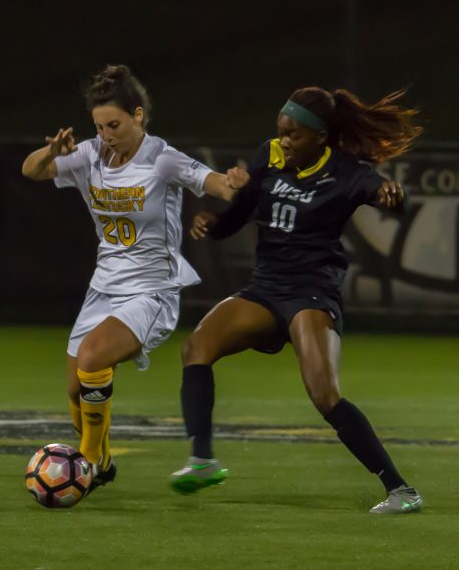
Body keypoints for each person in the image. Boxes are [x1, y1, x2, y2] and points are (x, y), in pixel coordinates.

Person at [168, 85, 425, 514]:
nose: (284, 141)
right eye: (281, 132)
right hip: (266, 288)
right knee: (197, 347)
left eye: (293, 135)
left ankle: (401, 490)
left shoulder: (346, 172)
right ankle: (202, 460)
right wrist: (215, 225)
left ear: (320, 137)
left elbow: (382, 193)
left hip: (311, 291)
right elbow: (243, 208)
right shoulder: (268, 155)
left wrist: (392, 198)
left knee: (325, 395)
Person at [21, 65, 245, 490]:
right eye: (100, 126)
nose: (107, 134)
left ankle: (84, 464)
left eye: (115, 125)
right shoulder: (88, 154)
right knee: (74, 389)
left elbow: (214, 183)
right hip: (103, 286)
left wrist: (234, 184)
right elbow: (30, 171)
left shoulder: (162, 159)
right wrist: (53, 152)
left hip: (152, 290)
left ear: (138, 115)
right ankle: (103, 463)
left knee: (92, 358)